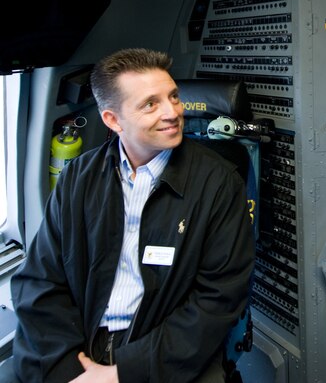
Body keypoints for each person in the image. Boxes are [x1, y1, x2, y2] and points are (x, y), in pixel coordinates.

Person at [11, 48, 256, 383]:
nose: (172, 112)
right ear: (112, 120)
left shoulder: (218, 183)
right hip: (79, 342)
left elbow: (218, 300)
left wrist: (124, 372)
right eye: (150, 104)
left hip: (163, 349)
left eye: (173, 96)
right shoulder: (78, 177)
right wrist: (70, 369)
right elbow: (40, 281)